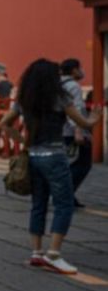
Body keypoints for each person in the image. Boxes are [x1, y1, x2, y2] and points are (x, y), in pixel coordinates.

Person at [0, 59, 101, 274]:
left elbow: (4, 124)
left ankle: (36, 253)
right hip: (55, 155)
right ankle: (53, 254)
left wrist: (21, 140)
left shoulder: (25, 99)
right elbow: (82, 123)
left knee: (39, 204)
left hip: (34, 156)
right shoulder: (60, 97)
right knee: (64, 204)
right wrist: (95, 118)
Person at [60, 59, 92, 208]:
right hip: (72, 131)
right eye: (79, 68)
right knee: (84, 163)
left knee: (67, 164)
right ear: (73, 70)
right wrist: (78, 131)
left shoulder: (57, 84)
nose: (81, 71)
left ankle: (66, 194)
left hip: (60, 130)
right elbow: (75, 109)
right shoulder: (74, 86)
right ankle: (65, 194)